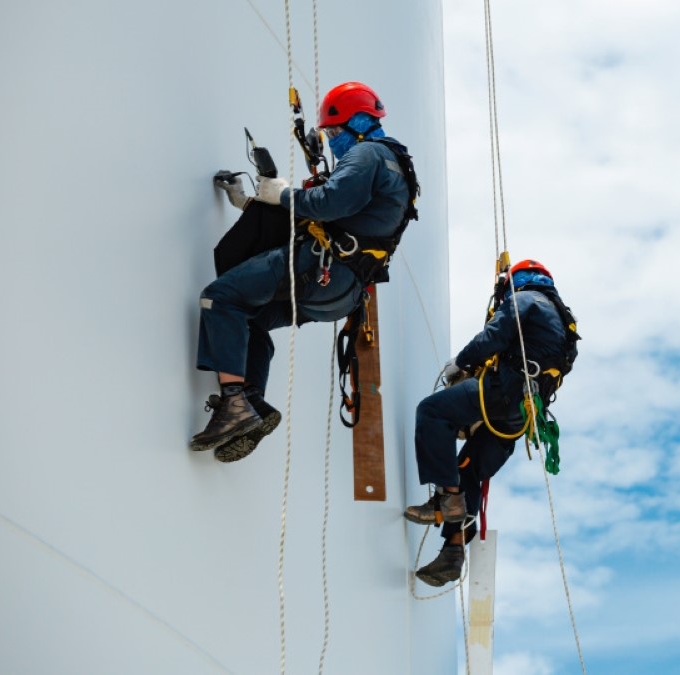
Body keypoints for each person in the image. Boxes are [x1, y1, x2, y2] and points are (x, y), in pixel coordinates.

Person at [191, 81, 416, 462]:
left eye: (333, 132)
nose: (330, 141)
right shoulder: (397, 170)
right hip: (342, 292)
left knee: (222, 297)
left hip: (322, 269)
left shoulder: (368, 154)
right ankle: (251, 405)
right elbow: (334, 219)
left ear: (359, 122)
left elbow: (327, 204)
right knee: (252, 319)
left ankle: (233, 404)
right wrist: (249, 203)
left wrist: (278, 194)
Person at [404, 259, 578, 586]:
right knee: (466, 468)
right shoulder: (565, 323)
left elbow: (494, 336)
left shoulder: (524, 299)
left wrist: (461, 363)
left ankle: (448, 499)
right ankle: (453, 552)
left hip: (502, 392)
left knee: (432, 412)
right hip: (520, 417)